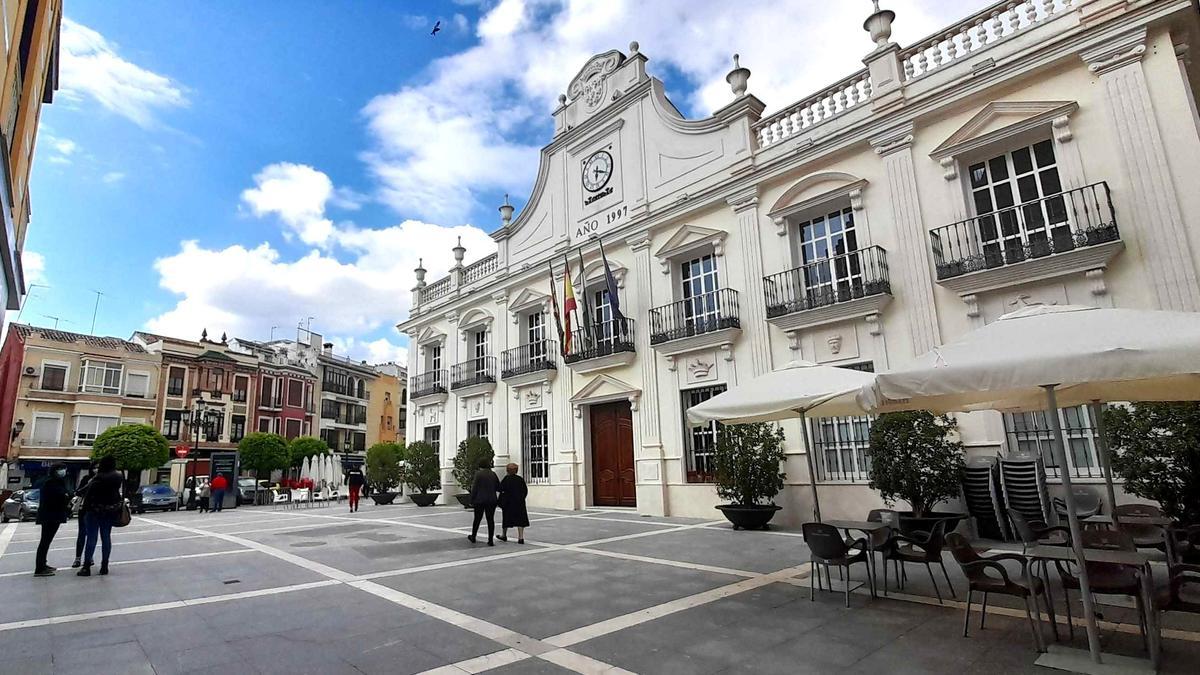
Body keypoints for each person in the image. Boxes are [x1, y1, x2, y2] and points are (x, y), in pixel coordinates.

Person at [79, 455, 122, 576]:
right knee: (106, 537)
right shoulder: (118, 477)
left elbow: (86, 493)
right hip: (110, 511)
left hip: (94, 511)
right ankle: (104, 566)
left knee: (91, 538)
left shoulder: (98, 478)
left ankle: (86, 567)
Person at [34, 463, 71, 576]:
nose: (64, 472)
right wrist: (66, 496)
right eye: (61, 469)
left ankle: (43, 564)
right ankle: (40, 568)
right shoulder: (51, 482)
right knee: (45, 541)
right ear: (56, 470)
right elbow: (59, 497)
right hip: (50, 516)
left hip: (51, 515)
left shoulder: (53, 482)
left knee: (46, 541)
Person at [467, 458, 500, 546]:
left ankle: (473, 536)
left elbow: (474, 488)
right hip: (491, 500)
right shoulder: (493, 474)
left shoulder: (478, 474)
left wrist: (471, 500)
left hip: (479, 500)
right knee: (490, 520)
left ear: (480, 466)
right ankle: (490, 540)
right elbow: (498, 487)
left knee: (477, 519)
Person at [496, 463, 529, 544]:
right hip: (519, 503)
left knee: (506, 520)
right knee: (520, 520)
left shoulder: (506, 479)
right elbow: (525, 490)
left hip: (508, 504)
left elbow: (500, 489)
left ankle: (504, 535)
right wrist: (521, 498)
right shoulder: (520, 479)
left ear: (507, 470)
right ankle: (521, 538)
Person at [72, 463, 95, 568]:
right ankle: (78, 558)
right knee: (82, 534)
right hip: (84, 509)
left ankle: (89, 557)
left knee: (92, 535)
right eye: (95, 467)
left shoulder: (103, 479)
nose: (96, 470)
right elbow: (79, 492)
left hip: (95, 509)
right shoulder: (87, 479)